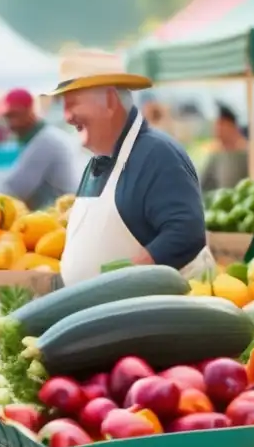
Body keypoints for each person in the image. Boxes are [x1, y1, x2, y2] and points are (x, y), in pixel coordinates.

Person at [53, 51, 213, 286]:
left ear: (109, 101)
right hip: (99, 314)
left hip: (149, 317)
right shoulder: (100, 159)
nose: (67, 117)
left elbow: (186, 233)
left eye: (73, 104)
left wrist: (125, 281)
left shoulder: (158, 154)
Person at [0, 88, 79, 210]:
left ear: (30, 111)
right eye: (8, 117)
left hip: (64, 215)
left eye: (16, 115)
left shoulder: (46, 141)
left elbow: (13, 190)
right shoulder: (38, 137)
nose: (11, 123)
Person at [200, 103, 254, 191]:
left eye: (221, 127)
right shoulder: (216, 158)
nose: (217, 133)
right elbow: (204, 187)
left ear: (232, 126)